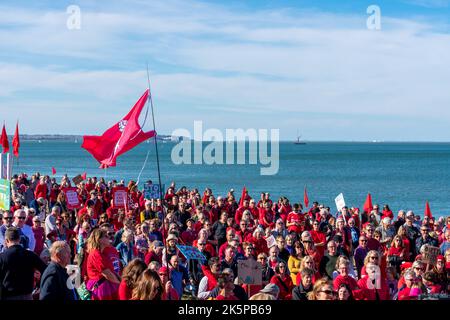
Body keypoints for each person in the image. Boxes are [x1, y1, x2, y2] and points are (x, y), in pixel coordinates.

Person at [0, 227, 47, 300]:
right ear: (19, 239)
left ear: (6, 240)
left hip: (8, 296)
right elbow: (46, 270)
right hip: (27, 296)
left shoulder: (2, 257)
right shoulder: (30, 255)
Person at [85, 228, 121, 300]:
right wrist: (120, 284)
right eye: (106, 236)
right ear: (99, 240)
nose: (109, 238)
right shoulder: (95, 254)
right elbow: (107, 274)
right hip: (101, 288)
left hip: (106, 285)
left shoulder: (102, 253)